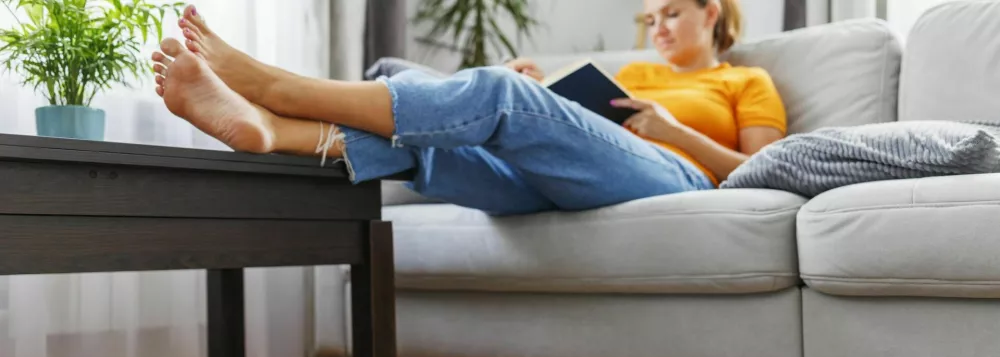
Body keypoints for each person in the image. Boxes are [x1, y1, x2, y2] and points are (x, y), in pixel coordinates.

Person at [151, 0, 786, 216]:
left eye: (672, 12)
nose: (659, 27)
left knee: (498, 94)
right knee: (465, 127)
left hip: (675, 177)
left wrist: (672, 129)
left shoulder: (746, 79)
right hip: (577, 172)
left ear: (714, 12)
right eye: (650, 18)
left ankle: (278, 91)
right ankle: (275, 130)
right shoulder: (637, 71)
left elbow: (758, 171)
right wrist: (546, 93)